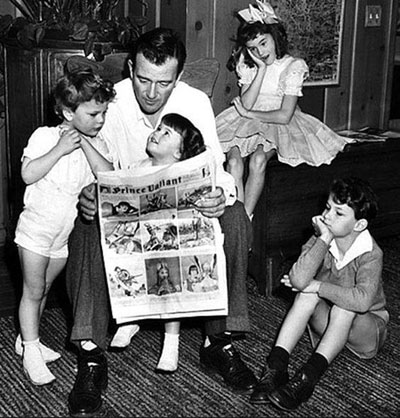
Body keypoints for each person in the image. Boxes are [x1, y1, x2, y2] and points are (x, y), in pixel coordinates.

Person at [66, 28, 256, 417]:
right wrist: (89, 194)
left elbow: (216, 167)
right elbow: (89, 165)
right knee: (85, 226)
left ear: (179, 77)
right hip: (126, 215)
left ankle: (218, 341)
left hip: (183, 211)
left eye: (164, 83)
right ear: (131, 69)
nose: (152, 94)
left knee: (236, 217)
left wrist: (222, 194)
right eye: (144, 80)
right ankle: (90, 355)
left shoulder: (195, 102)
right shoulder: (111, 104)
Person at [249, 177, 388, 411]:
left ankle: (307, 379)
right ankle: (276, 367)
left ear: (359, 225)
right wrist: (323, 239)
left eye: (339, 213)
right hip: (330, 323)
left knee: (346, 304)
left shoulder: (371, 253)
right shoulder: (323, 235)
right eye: (327, 207)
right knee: (306, 293)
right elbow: (299, 280)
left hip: (366, 330)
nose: (327, 216)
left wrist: (318, 286)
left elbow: (363, 301)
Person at [13, 69, 115, 386]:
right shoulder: (44, 136)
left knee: (42, 289)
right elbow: (28, 174)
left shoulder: (98, 143)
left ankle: (25, 339)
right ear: (69, 112)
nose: (100, 120)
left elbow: (108, 175)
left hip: (62, 237)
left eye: (104, 113)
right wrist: (60, 147)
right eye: (93, 113)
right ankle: (31, 350)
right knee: (32, 291)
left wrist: (84, 142)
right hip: (35, 230)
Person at [216, 0, 351, 218]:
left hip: (277, 120)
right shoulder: (249, 63)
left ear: (275, 37)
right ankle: (238, 221)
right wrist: (260, 69)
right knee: (233, 161)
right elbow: (247, 102)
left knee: (258, 160)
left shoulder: (293, 66)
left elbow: (285, 115)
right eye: (253, 48)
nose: (259, 52)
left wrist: (249, 114)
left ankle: (247, 220)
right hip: (245, 118)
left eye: (263, 43)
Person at [111, 112, 206, 373]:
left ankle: (171, 341)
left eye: (167, 133)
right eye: (160, 128)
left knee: (171, 283)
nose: (158, 133)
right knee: (128, 266)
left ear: (178, 153)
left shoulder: (180, 172)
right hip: (140, 237)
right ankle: (130, 319)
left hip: (167, 241)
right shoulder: (138, 166)